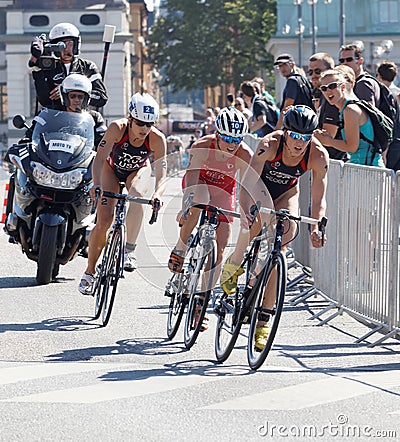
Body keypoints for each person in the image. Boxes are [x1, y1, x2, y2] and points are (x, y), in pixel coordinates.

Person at [220, 105, 328, 350]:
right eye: (295, 136)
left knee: (281, 249)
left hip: (287, 193)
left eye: (306, 137)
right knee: (253, 226)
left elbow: (319, 197)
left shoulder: (318, 155)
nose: (300, 143)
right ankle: (234, 264)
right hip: (259, 189)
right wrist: (247, 210)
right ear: (285, 132)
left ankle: (263, 322)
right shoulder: (269, 145)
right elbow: (248, 182)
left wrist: (316, 227)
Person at [168, 107, 253, 328]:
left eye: (236, 139)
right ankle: (180, 248)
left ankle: (200, 304)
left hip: (224, 192)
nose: (231, 145)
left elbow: (248, 186)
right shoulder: (201, 146)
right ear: (217, 135)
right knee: (198, 200)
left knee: (219, 252)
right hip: (199, 184)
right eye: (226, 138)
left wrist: (246, 209)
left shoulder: (245, 154)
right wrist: (185, 207)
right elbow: (193, 183)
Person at [78, 93, 167, 295]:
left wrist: (158, 194)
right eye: (140, 123)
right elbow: (99, 159)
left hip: (137, 171)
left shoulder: (157, 139)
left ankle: (128, 250)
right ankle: (90, 272)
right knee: (103, 222)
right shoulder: (117, 128)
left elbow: (162, 173)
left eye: (149, 124)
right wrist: (97, 184)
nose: (144, 129)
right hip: (111, 169)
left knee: (136, 195)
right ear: (130, 119)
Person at [29, 22, 108, 111]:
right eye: (61, 45)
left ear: (76, 45)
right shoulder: (48, 68)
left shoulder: (87, 67)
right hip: (55, 119)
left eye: (70, 44)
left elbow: (101, 98)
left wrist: (68, 90)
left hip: (82, 120)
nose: (66, 49)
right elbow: (44, 101)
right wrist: (36, 67)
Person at [314, 70, 385, 167]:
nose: (328, 91)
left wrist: (328, 141)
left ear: (342, 87)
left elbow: (352, 147)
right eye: (324, 88)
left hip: (369, 169)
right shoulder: (345, 108)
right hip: (362, 167)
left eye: (332, 86)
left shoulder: (350, 110)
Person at [308, 52, 349, 161]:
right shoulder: (323, 95)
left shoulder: (332, 99)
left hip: (335, 162)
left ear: (330, 70)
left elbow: (328, 136)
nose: (313, 75)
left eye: (317, 71)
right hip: (328, 161)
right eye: (310, 72)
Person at [60, 74, 107, 148]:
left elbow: (103, 142)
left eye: (80, 97)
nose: (76, 100)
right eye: (72, 96)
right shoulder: (53, 115)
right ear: (65, 97)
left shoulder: (95, 118)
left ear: (86, 99)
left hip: (83, 158)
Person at [273, 53, 314, 130]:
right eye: (280, 66)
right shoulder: (304, 80)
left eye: (285, 64)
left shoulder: (292, 81)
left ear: (292, 65)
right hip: (307, 123)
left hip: (296, 125)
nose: (282, 68)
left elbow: (288, 106)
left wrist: (277, 128)